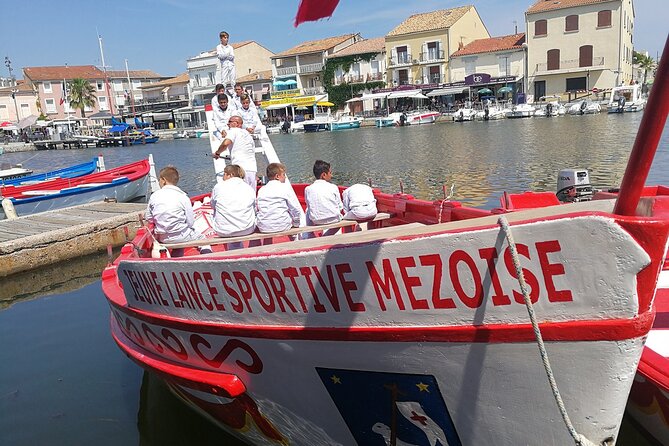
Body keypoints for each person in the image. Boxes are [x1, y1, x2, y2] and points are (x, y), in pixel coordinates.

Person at [145, 166, 211, 256]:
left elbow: (148, 218)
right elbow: (190, 222)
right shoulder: (183, 196)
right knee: (203, 240)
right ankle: (207, 256)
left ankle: (176, 258)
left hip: (162, 238)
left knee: (179, 242)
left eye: (159, 179)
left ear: (163, 180)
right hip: (181, 235)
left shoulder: (154, 196)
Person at [211, 164, 256, 249]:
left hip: (223, 231)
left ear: (230, 175)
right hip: (246, 229)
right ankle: (254, 248)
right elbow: (254, 207)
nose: (222, 178)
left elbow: (213, 206)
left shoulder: (218, 187)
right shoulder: (248, 188)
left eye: (224, 174)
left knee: (221, 215)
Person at [256, 163, 302, 235]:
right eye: (283, 175)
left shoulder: (261, 190)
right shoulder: (284, 188)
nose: (285, 177)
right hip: (282, 225)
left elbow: (258, 208)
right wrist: (296, 223)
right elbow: (294, 208)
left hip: (264, 227)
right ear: (277, 176)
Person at [213, 113, 257, 188]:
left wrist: (217, 153)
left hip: (240, 169)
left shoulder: (233, 131)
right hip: (252, 169)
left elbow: (225, 143)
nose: (227, 124)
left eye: (229, 122)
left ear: (235, 123)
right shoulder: (248, 134)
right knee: (251, 194)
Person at [304, 160, 343, 236]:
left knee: (307, 210)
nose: (331, 175)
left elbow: (309, 206)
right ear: (324, 175)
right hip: (334, 219)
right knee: (338, 215)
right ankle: (326, 236)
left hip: (316, 220)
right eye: (330, 173)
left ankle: (310, 235)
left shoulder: (308, 189)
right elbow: (340, 206)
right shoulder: (333, 187)